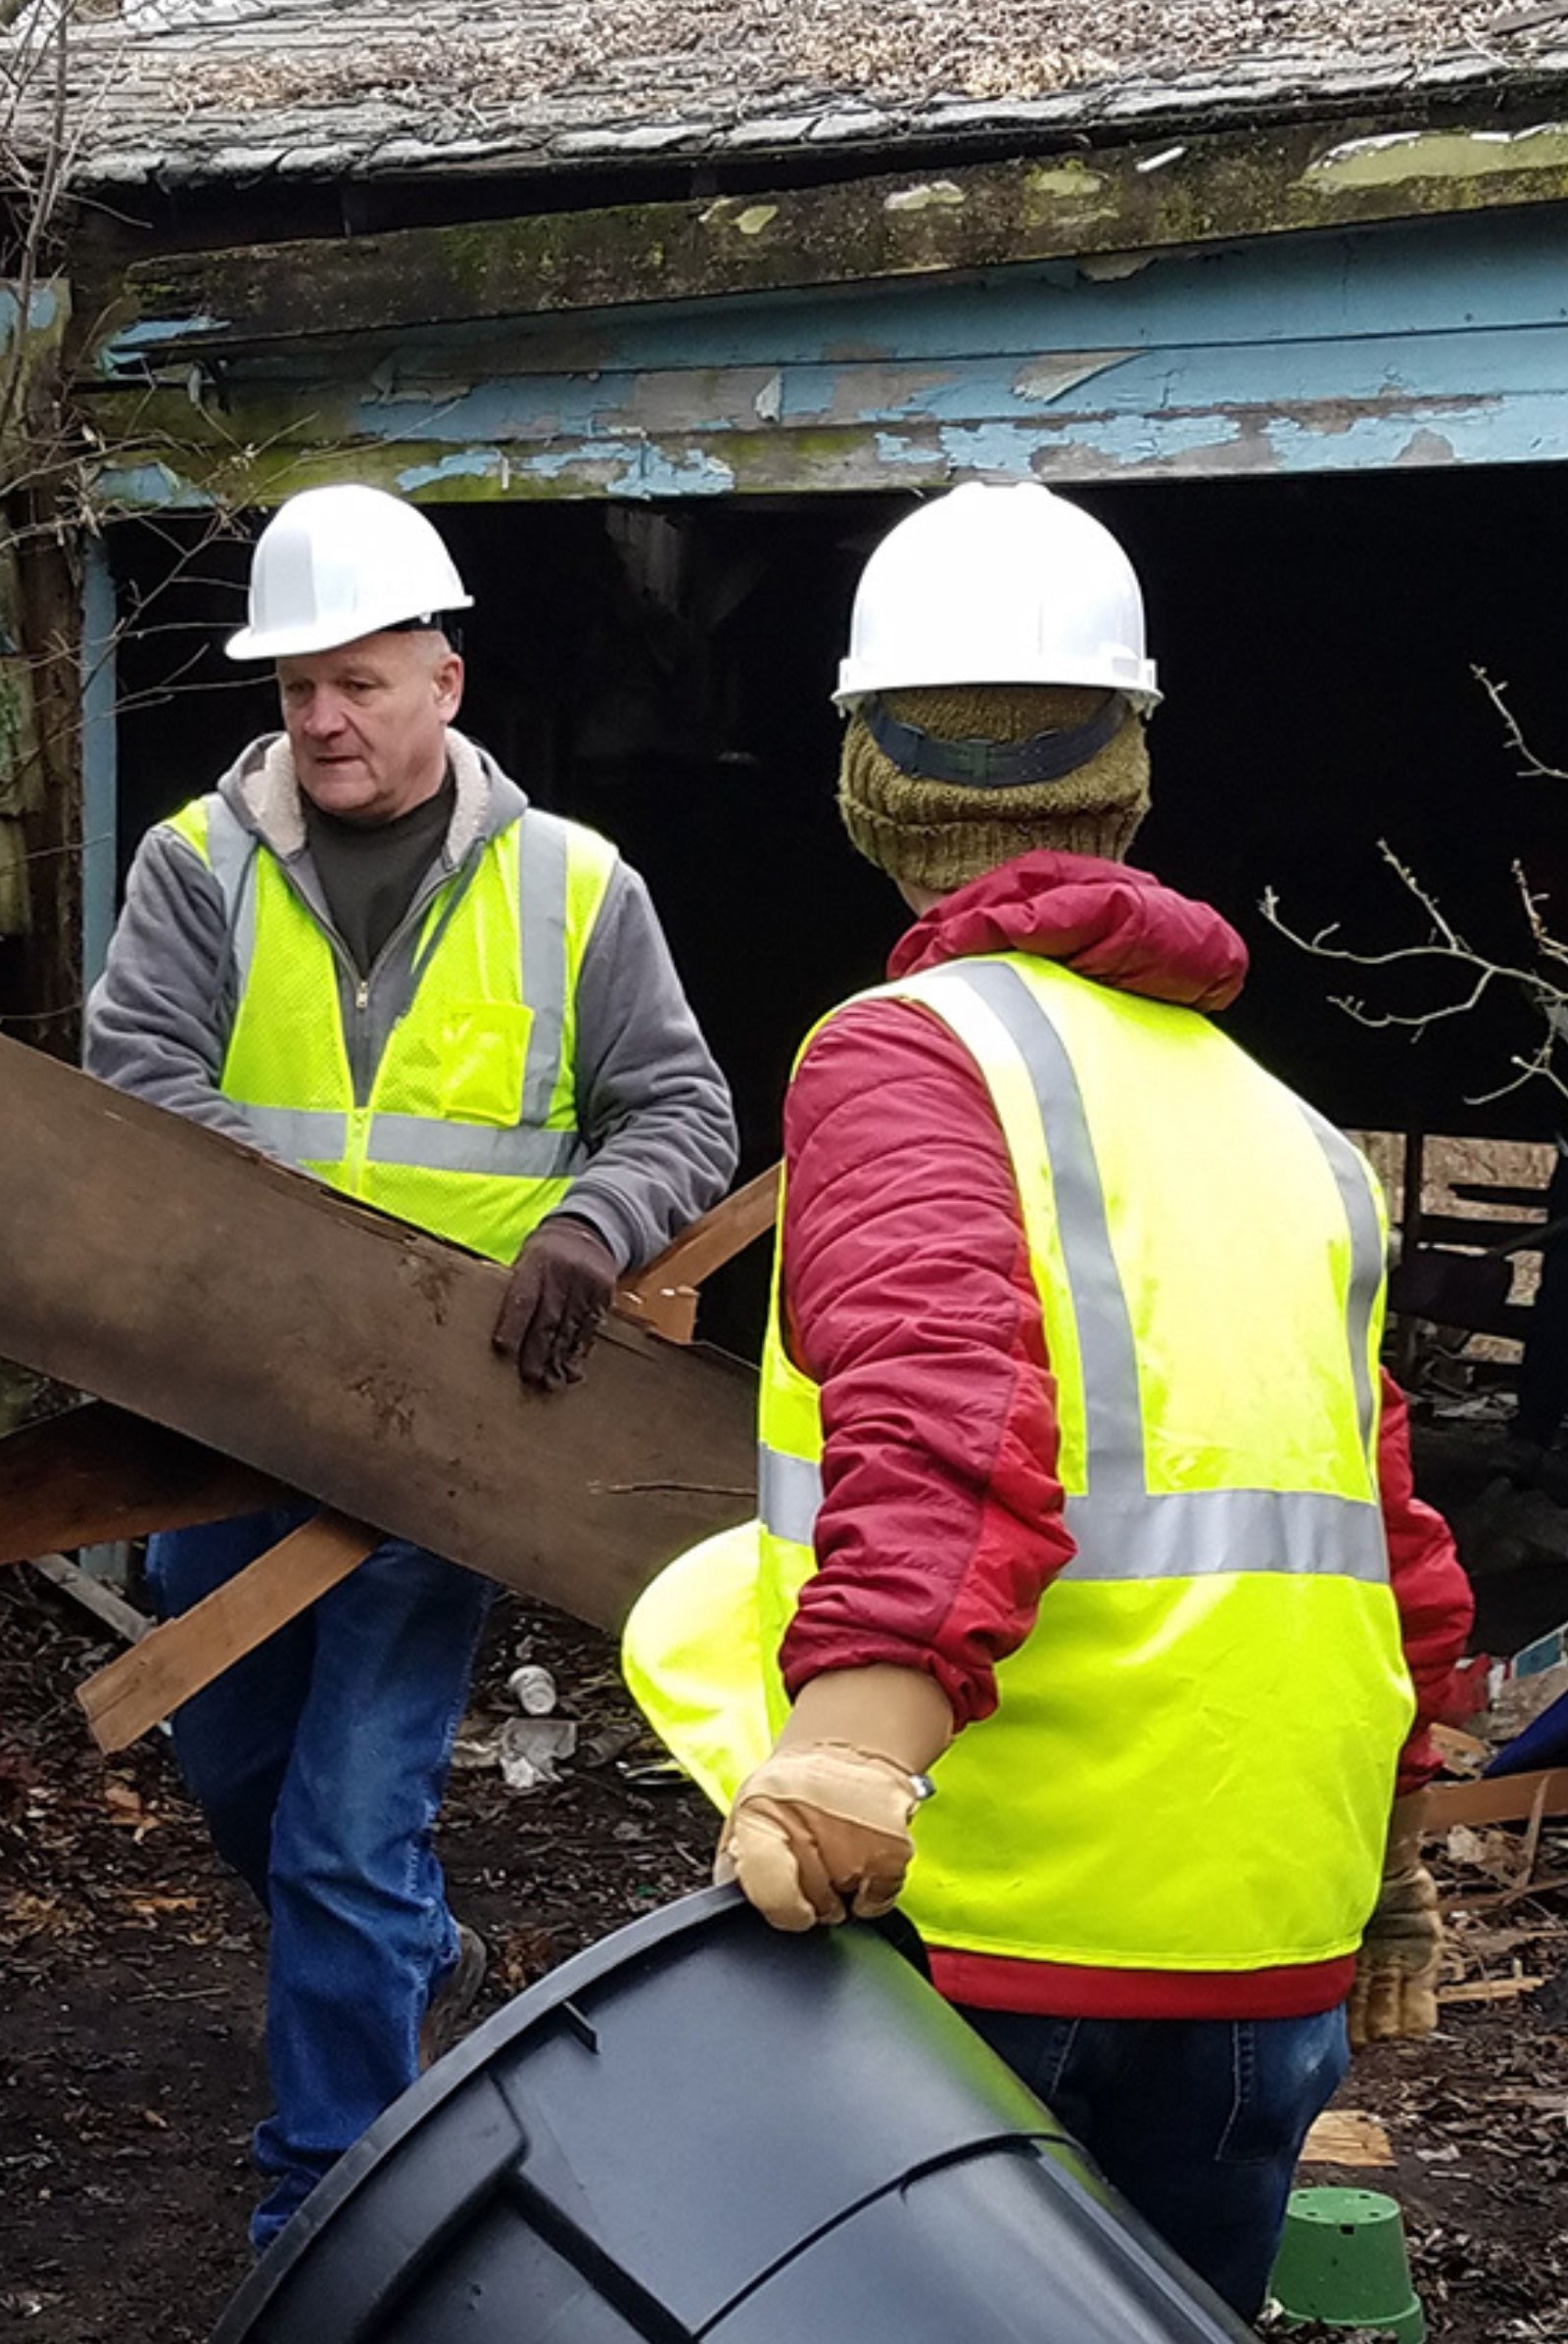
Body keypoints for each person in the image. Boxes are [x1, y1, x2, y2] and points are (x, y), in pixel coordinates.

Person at [624, 481, 1473, 2323]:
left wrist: (851, 1756)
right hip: (1272, 1940)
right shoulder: (1291, 1132)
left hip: (1015, 1922)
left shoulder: (907, 1052)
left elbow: (943, 1400)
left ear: (865, 772)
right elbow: (1388, 1537)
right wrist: (1399, 1857)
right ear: (1130, 768)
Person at [86, 483, 737, 2250]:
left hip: (451, 1436)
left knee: (347, 1820)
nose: (322, 720)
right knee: (239, 1772)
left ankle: (329, 2208)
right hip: (233, 1416)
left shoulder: (575, 888)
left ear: (443, 682)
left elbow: (680, 1106)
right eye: (297, 685)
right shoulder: (194, 867)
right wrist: (314, 1284)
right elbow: (139, 1085)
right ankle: (413, 1959)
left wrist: (592, 1232)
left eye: (360, 683)